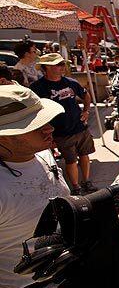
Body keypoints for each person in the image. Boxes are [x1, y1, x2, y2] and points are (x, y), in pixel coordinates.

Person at [0, 85, 69, 288]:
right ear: (5, 136)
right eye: (36, 125)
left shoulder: (44, 155)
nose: (50, 128)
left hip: (63, 283)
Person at [30, 53, 97, 195]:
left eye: (62, 64)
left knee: (85, 155)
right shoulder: (38, 87)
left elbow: (86, 95)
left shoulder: (71, 82)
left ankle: (86, 181)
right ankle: (76, 187)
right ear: (47, 67)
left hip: (80, 127)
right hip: (61, 131)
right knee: (70, 160)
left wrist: (86, 111)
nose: (62, 67)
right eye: (58, 64)